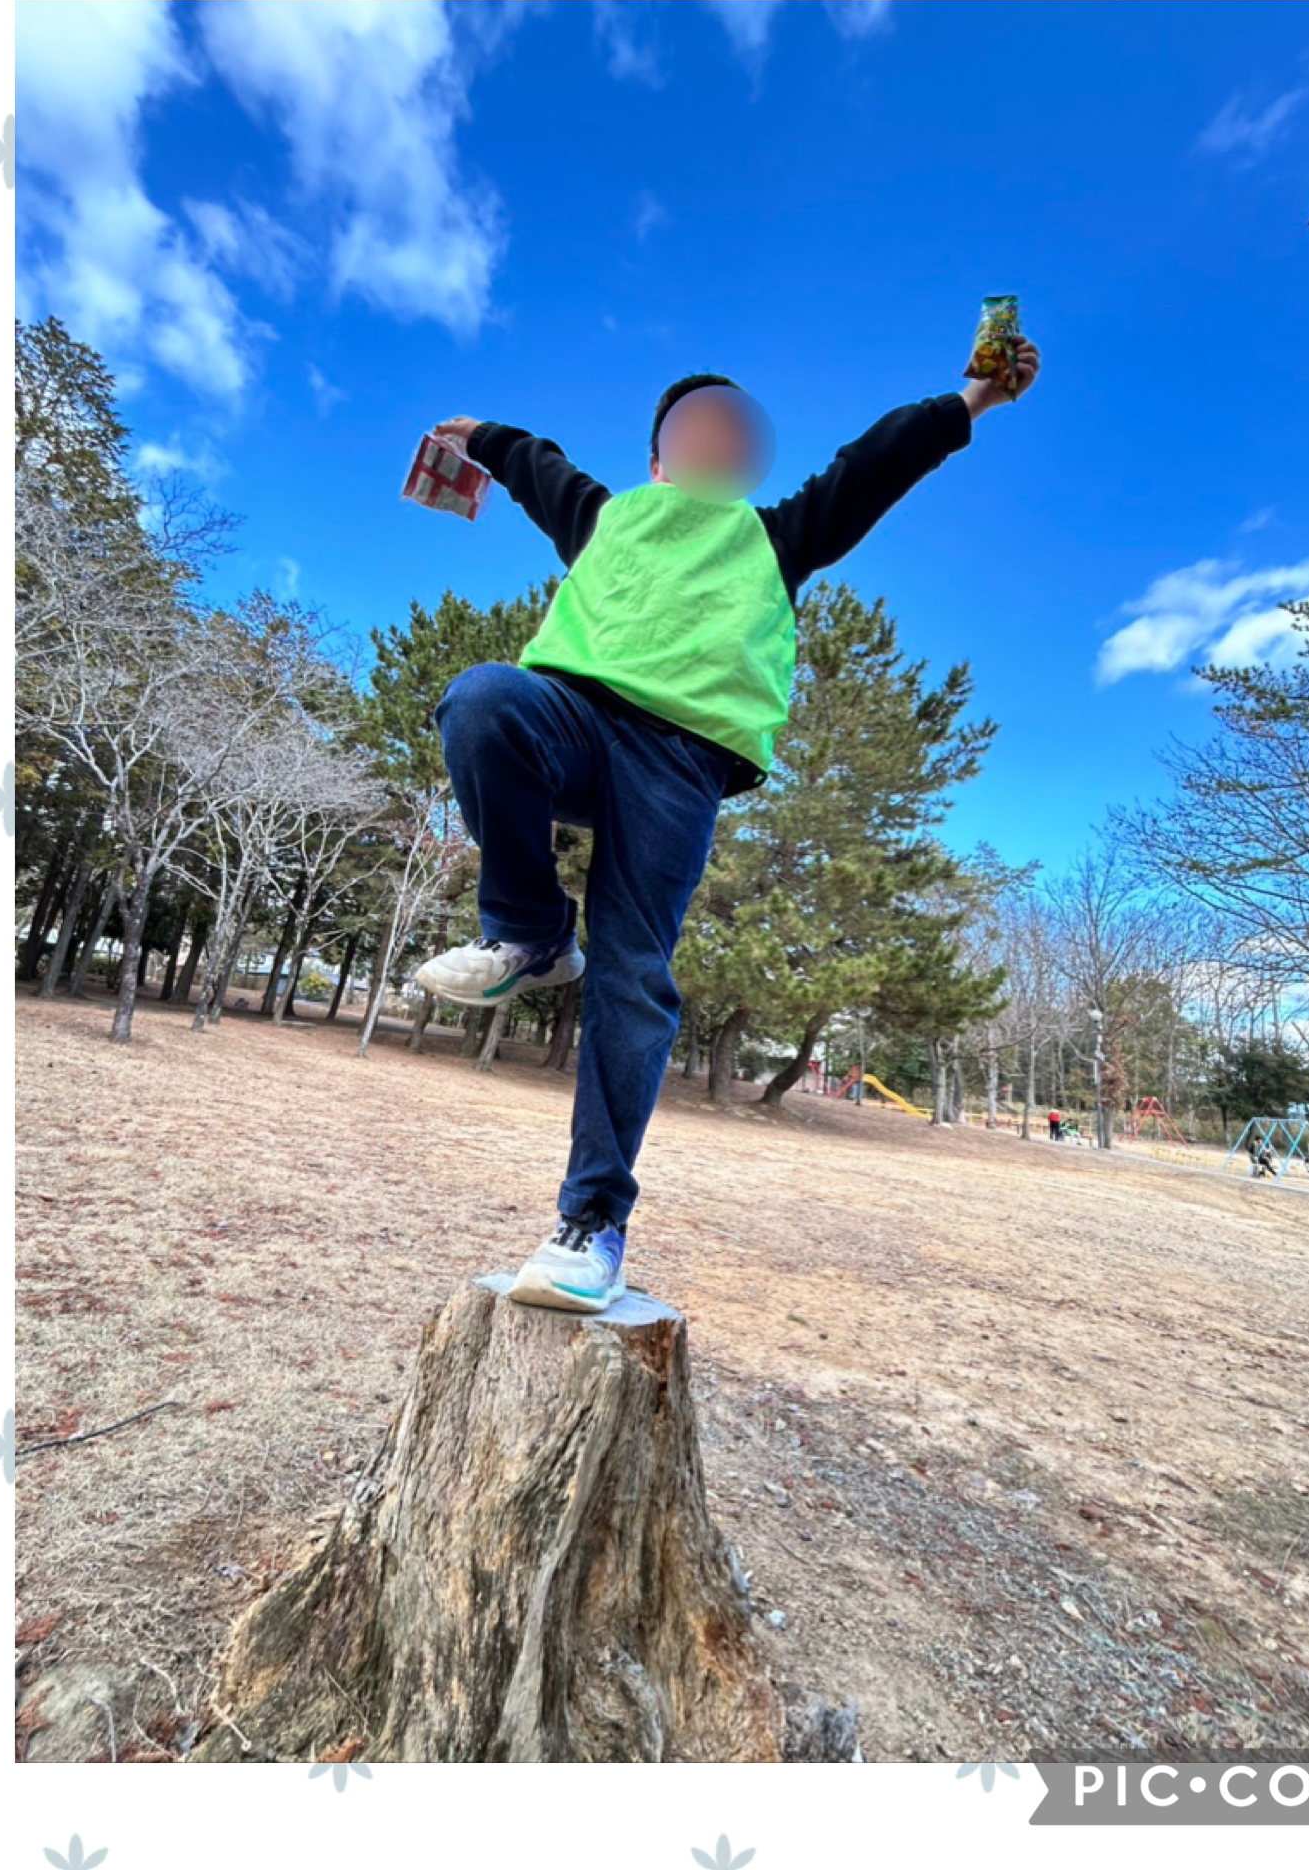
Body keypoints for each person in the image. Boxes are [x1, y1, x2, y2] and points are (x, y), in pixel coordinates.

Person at [415, 341, 1043, 1311]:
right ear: (659, 461)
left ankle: (591, 1223)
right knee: (483, 700)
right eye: (694, 432)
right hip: (570, 724)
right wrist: (480, 437)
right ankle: (532, 932)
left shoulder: (776, 535)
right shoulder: (607, 516)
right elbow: (539, 466)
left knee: (634, 973)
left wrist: (976, 397)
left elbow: (873, 464)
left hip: (679, 759)